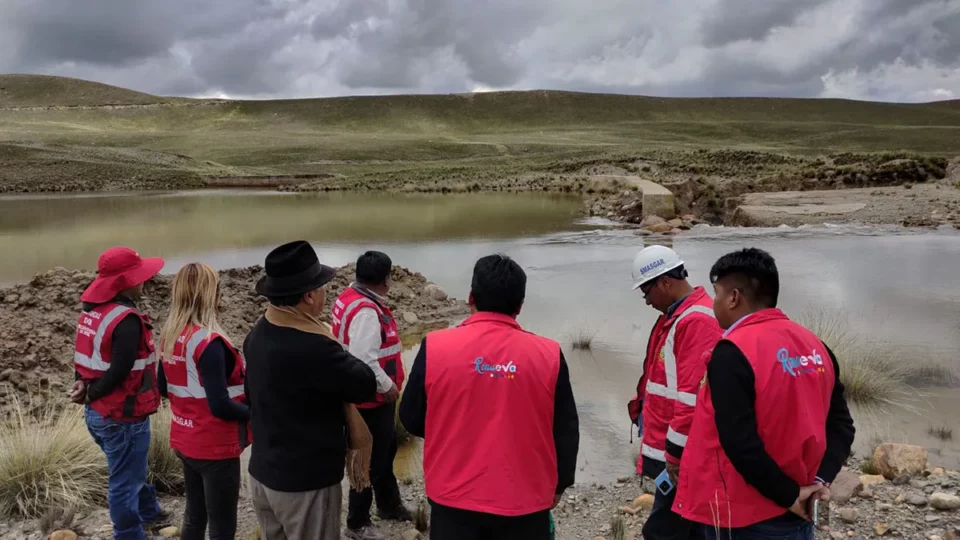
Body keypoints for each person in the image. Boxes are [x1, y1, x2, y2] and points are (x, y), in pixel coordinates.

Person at [672, 248, 855, 539]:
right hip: (801, 507)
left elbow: (739, 443)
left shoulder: (732, 352)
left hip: (743, 514)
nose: (713, 302)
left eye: (716, 293)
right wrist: (819, 482)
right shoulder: (815, 345)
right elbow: (842, 427)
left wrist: (788, 495)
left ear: (734, 297)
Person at [400, 254, 580, 540]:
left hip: (452, 500)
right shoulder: (549, 354)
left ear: (471, 297)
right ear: (520, 305)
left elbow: (410, 417)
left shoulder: (435, 346)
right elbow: (566, 429)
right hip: (526, 503)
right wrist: (560, 484)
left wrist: (448, 427)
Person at [243, 240, 378, 540]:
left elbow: (250, 396)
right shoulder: (317, 347)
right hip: (305, 483)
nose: (324, 292)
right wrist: (339, 346)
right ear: (308, 296)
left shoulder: (257, 334)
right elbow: (365, 384)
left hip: (263, 473)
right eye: (321, 286)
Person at [624, 245, 721, 540]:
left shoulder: (696, 321)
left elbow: (691, 399)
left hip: (682, 456)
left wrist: (676, 456)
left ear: (665, 282)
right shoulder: (677, 316)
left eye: (646, 292)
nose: (646, 300)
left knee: (663, 532)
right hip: (672, 450)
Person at [71, 246, 168, 540]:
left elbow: (86, 357)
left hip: (99, 414)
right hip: (121, 415)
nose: (144, 282)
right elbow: (120, 370)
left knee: (129, 466)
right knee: (124, 478)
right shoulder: (126, 320)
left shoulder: (92, 314)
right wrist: (93, 393)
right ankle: (128, 534)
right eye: (138, 277)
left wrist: (82, 386)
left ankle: (149, 511)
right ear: (125, 282)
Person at [157, 263, 251, 540]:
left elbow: (164, 387)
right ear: (211, 294)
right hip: (214, 446)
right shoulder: (210, 342)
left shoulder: (170, 335)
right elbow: (220, 405)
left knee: (195, 516)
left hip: (185, 438)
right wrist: (257, 412)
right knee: (222, 527)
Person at [331, 251, 412, 540]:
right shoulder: (366, 312)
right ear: (386, 280)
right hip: (370, 400)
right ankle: (357, 523)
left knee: (386, 450)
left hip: (368, 398)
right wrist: (387, 386)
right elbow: (363, 359)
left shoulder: (349, 296)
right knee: (366, 461)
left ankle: (389, 505)